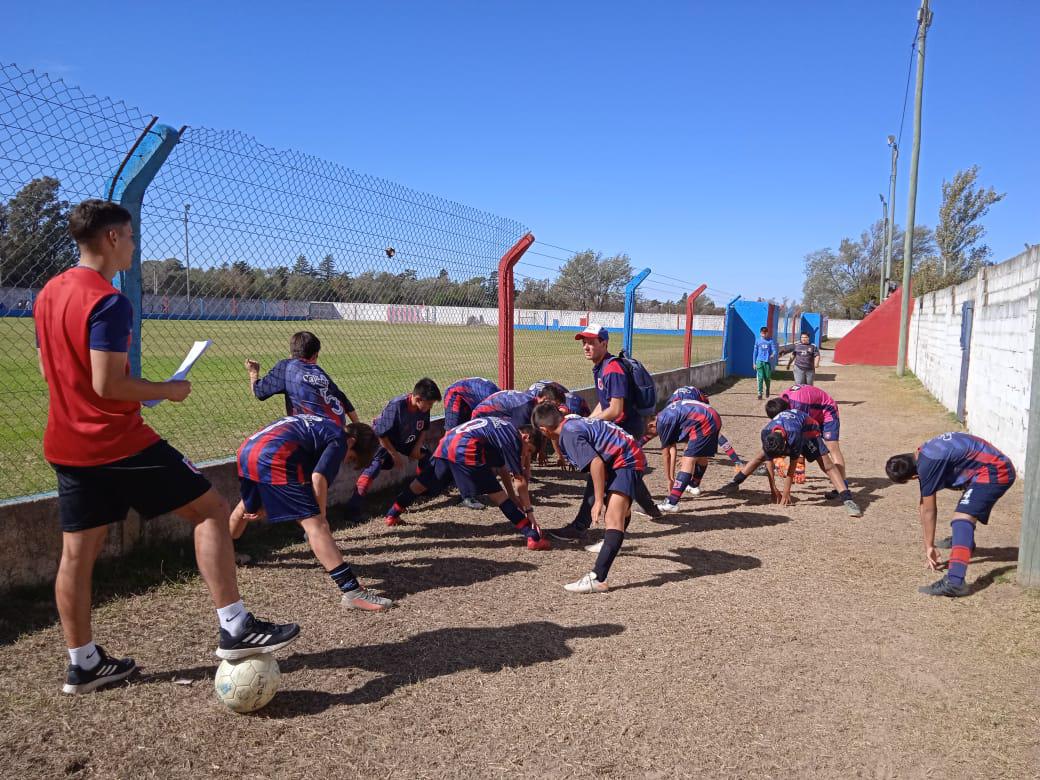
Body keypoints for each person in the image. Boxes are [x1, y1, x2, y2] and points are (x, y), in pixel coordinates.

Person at [33, 200, 299, 694]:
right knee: (211, 510)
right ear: (112, 238)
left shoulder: (49, 293)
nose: (135, 246)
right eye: (131, 237)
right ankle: (236, 627)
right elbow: (108, 383)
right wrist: (166, 390)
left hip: (66, 442)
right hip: (115, 441)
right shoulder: (108, 300)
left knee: (77, 555)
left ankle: (84, 663)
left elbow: (57, 370)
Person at [231, 416, 392, 610]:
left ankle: (226, 553)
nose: (345, 460)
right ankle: (353, 593)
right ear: (352, 442)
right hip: (274, 455)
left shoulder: (322, 426)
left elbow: (302, 473)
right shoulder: (340, 439)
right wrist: (321, 518)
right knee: (317, 526)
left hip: (248, 451)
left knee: (247, 507)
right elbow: (318, 478)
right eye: (351, 457)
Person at [549, 324, 660, 541]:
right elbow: (604, 403)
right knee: (628, 474)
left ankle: (580, 527)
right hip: (618, 427)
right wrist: (585, 422)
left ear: (604, 343)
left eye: (591, 342)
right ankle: (652, 509)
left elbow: (616, 409)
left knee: (598, 472)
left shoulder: (612, 369)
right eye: (584, 343)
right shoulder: (601, 367)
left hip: (625, 428)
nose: (586, 347)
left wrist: (587, 425)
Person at [383, 417, 549, 550]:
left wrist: (513, 497)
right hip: (466, 448)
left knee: (421, 483)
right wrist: (529, 513)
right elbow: (519, 480)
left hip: (447, 443)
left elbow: (502, 468)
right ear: (525, 437)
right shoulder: (513, 439)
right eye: (529, 450)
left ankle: (392, 514)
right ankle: (531, 536)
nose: (526, 454)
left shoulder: (505, 425)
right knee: (498, 496)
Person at [885, 433, 1016, 597]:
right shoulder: (923, 453)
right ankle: (963, 541)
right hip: (987, 466)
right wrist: (928, 543)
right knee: (963, 515)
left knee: (961, 520)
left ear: (913, 477)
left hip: (996, 470)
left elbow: (929, 509)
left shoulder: (927, 467)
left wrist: (929, 547)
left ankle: (955, 582)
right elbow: (923, 502)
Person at [533, 403, 646, 593]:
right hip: (627, 455)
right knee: (620, 511)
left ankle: (597, 578)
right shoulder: (572, 420)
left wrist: (599, 501)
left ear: (544, 430)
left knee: (613, 518)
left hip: (625, 460)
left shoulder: (569, 434)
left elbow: (596, 463)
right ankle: (610, 543)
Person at [718, 409, 862, 517]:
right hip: (788, 429)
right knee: (759, 457)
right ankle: (734, 483)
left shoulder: (794, 436)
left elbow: (792, 466)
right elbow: (769, 462)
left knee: (827, 465)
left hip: (809, 431)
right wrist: (773, 489)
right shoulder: (765, 432)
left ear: (785, 444)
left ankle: (848, 499)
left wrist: (786, 492)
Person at [344, 378, 441, 518]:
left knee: (428, 459)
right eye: (429, 404)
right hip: (385, 441)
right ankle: (353, 508)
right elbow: (381, 434)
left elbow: (424, 428)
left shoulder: (423, 407)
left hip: (406, 440)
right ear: (418, 398)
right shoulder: (397, 405)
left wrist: (416, 448)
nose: (430, 407)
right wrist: (394, 455)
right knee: (374, 466)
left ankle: (421, 489)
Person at [246, 331, 359, 428]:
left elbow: (259, 392)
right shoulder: (318, 371)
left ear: (291, 352)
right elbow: (342, 398)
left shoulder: (286, 367)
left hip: (312, 432)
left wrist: (253, 372)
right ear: (315, 355)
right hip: (337, 429)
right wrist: (357, 426)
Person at [644, 399, 722, 512]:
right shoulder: (664, 414)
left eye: (649, 432)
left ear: (651, 425)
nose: (651, 435)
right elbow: (673, 448)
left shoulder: (662, 423)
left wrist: (670, 479)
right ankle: (694, 484)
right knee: (701, 454)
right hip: (712, 416)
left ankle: (672, 502)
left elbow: (667, 453)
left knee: (688, 459)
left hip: (704, 421)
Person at [766, 385, 847, 493]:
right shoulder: (780, 403)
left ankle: (842, 485)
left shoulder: (799, 405)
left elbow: (803, 433)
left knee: (832, 447)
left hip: (826, 410)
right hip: (812, 411)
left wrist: (799, 466)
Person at [662, 386, 745, 473]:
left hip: (679, 408)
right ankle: (737, 461)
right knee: (716, 434)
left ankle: (737, 462)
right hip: (688, 407)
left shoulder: (672, 405)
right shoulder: (698, 399)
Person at [752, 326, 777, 400]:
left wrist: (773, 354)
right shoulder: (757, 341)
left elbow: (774, 350)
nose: (763, 334)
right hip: (759, 361)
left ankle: (767, 389)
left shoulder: (770, 341)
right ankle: (760, 393)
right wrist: (754, 363)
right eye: (762, 333)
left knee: (767, 378)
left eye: (765, 333)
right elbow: (755, 352)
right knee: (760, 378)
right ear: (760, 333)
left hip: (767, 362)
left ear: (767, 333)